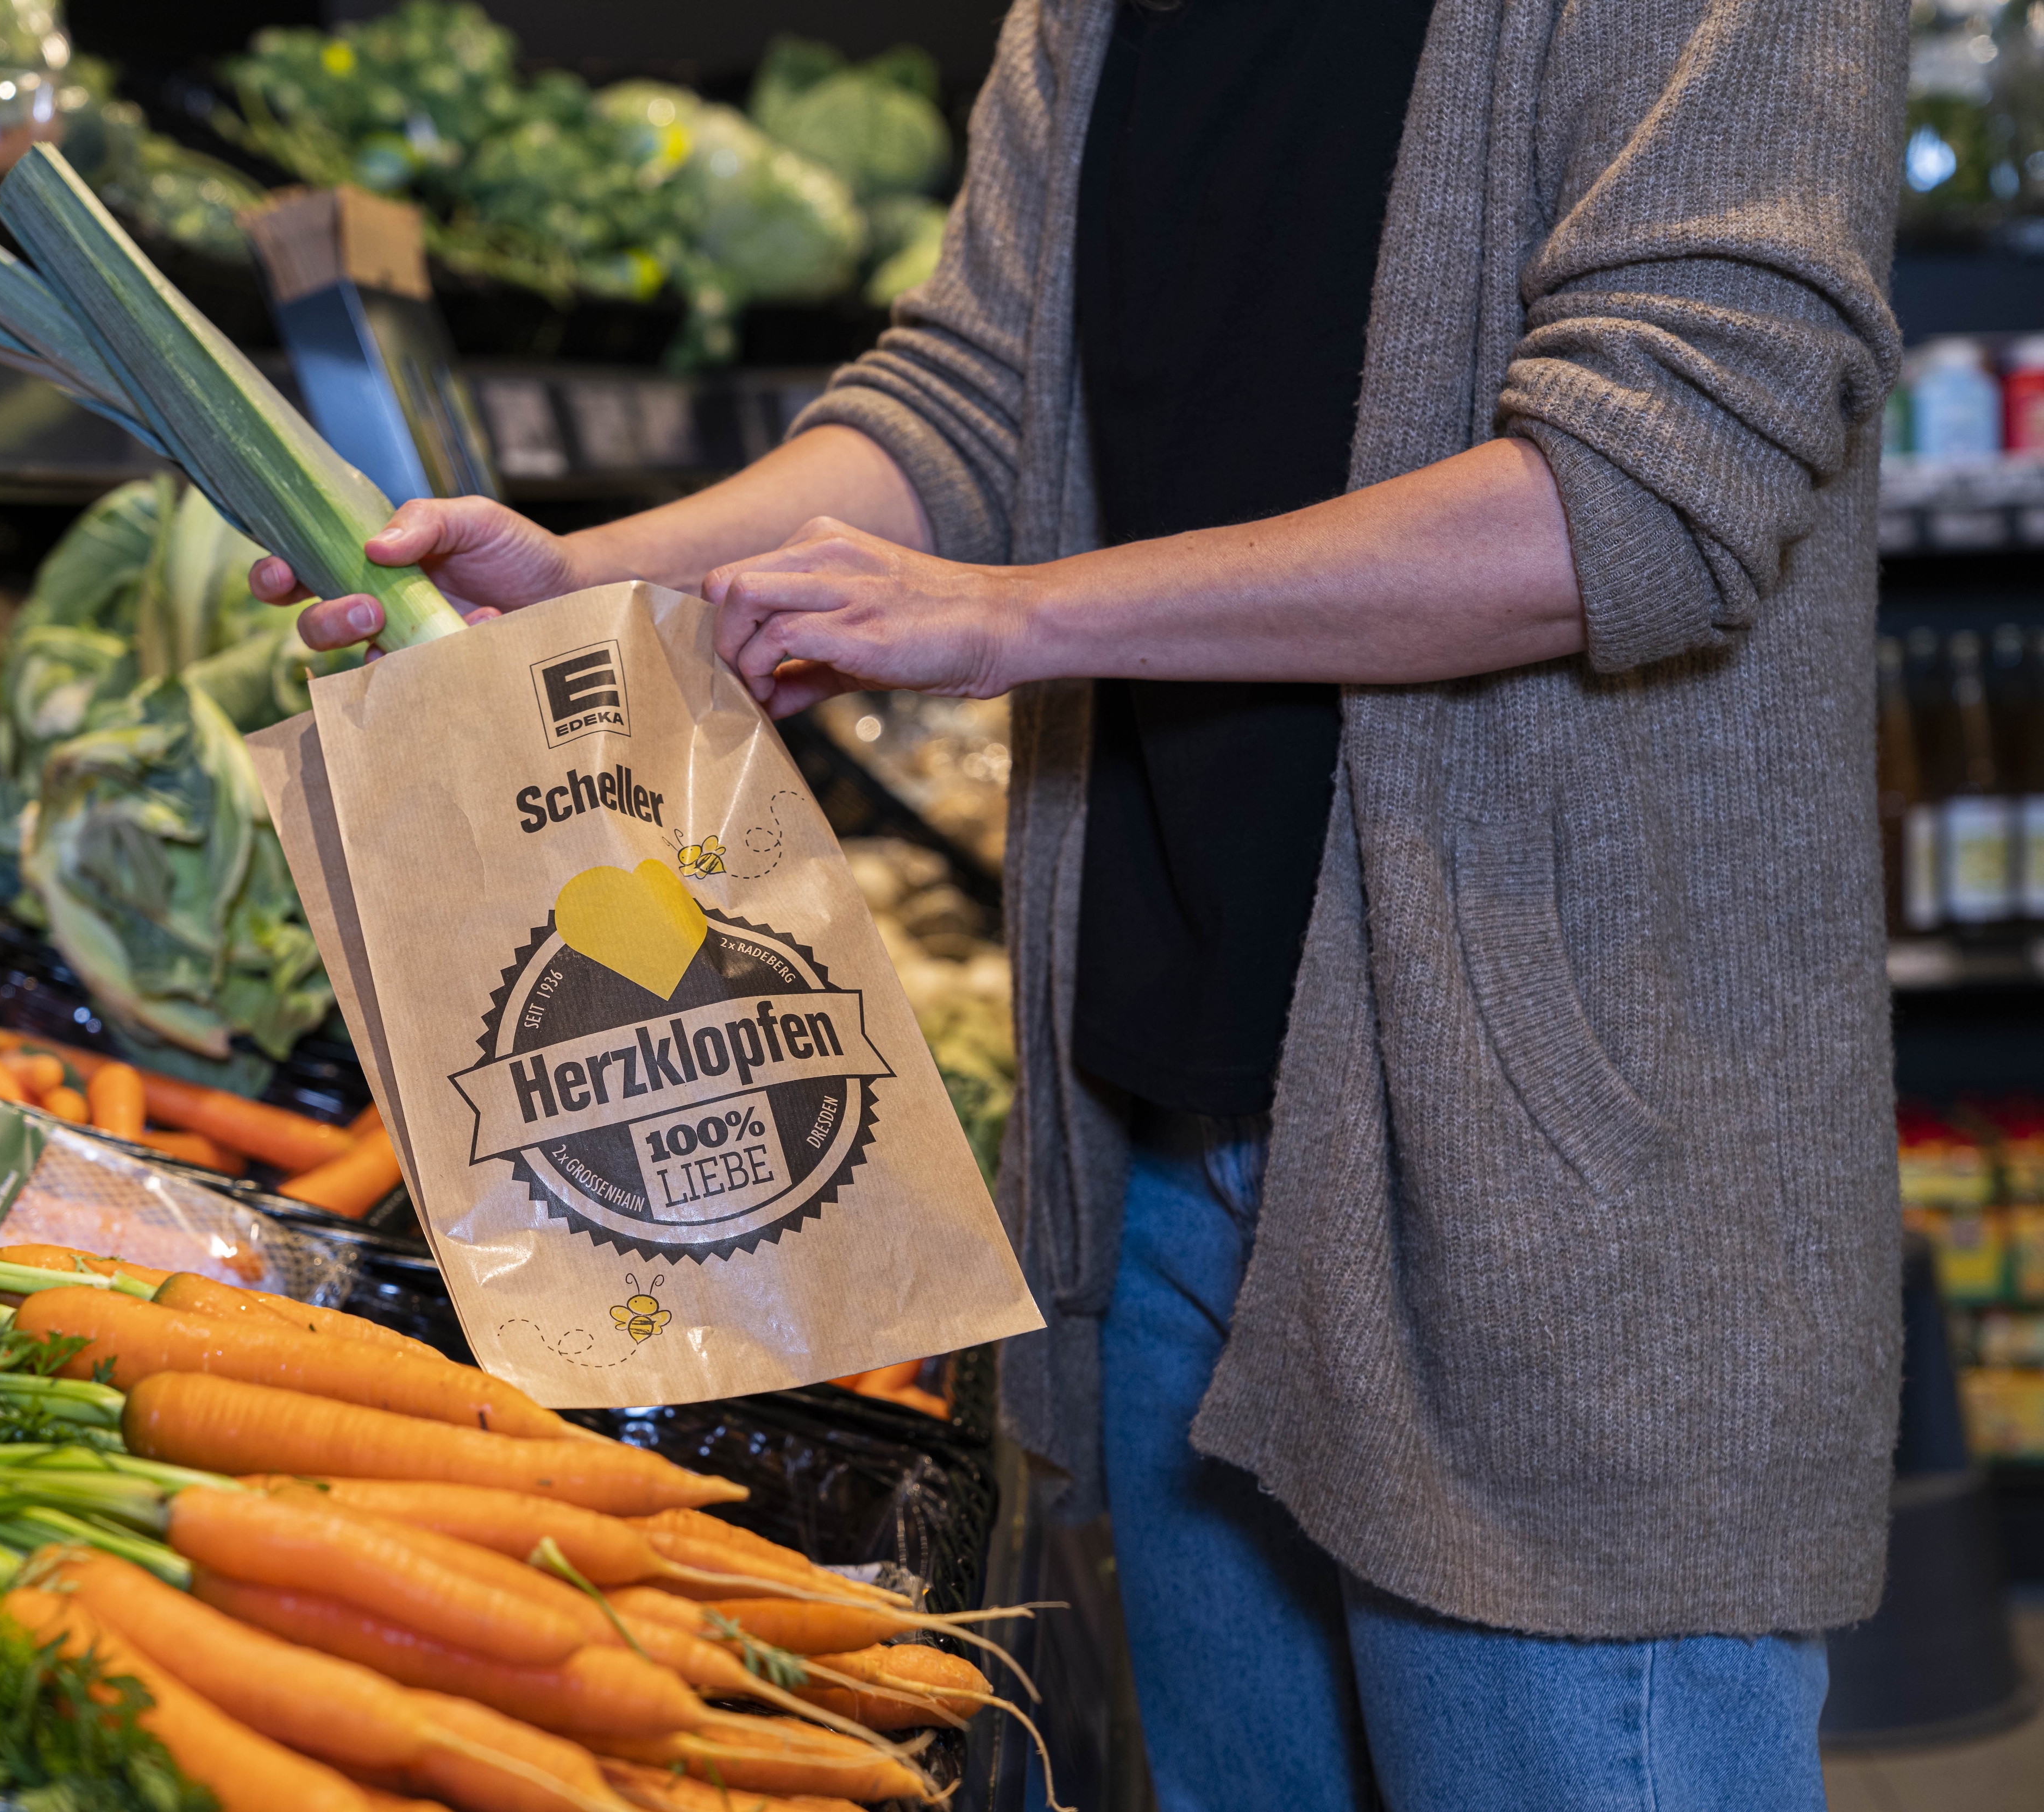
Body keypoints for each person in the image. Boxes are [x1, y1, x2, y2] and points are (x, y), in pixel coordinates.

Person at [253, 0, 1906, 1803]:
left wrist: (1015, 615)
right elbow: (967, 396)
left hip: (1552, 1195)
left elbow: (1631, 503)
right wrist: (595, 587)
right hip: (1160, 1153)